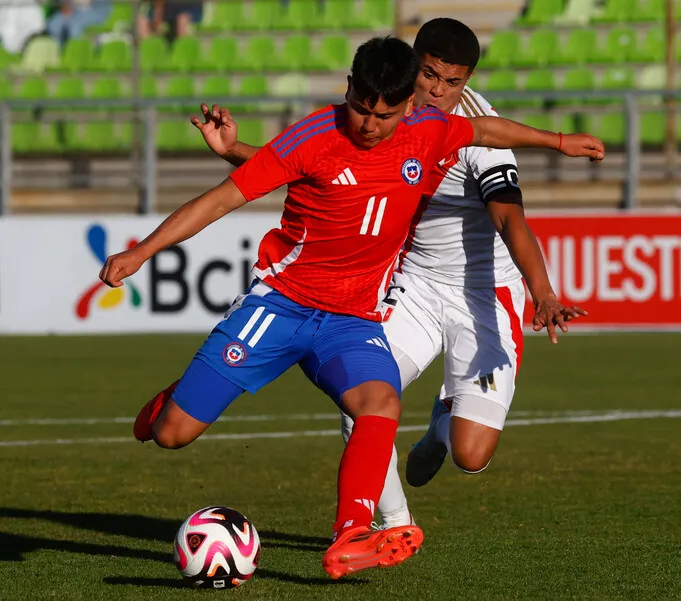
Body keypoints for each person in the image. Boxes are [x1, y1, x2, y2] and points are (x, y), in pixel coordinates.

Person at [100, 36, 605, 579]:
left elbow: (485, 130)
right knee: (174, 433)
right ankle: (169, 404)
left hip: (352, 319)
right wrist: (142, 251)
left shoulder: (429, 131)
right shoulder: (312, 136)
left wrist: (558, 141)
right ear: (349, 89)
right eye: (362, 108)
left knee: (379, 403)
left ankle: (354, 533)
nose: (369, 123)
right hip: (282, 306)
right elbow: (222, 198)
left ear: (406, 108)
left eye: (383, 115)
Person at [192, 18, 587, 532]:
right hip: (414, 286)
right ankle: (395, 524)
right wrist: (234, 154)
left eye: (453, 83)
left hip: (484, 294)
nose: (438, 91)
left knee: (471, 454)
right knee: (360, 400)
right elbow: (316, 167)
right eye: (429, 76)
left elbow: (510, 216)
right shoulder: (386, 109)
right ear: (412, 63)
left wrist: (545, 293)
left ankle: (441, 426)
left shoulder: (477, 133)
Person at [46, 0, 111, 45]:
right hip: (74, 11)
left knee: (74, 26)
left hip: (95, 10)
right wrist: (66, 7)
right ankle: (60, 54)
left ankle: (76, 53)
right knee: (53, 24)